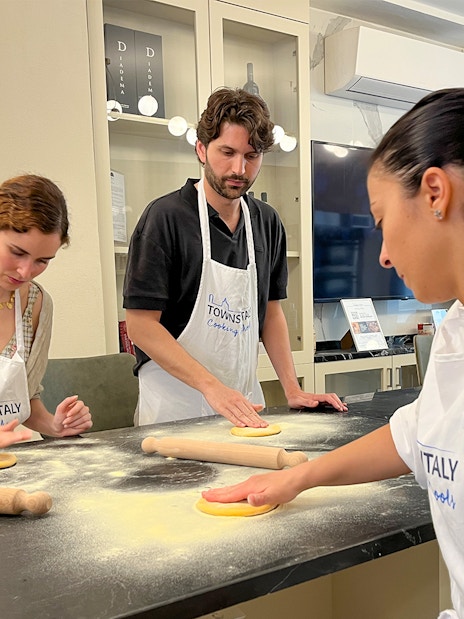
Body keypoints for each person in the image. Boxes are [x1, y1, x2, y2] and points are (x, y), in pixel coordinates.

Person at [202, 88, 464, 619]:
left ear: (435, 192)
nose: (384, 253)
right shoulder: (456, 330)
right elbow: (415, 435)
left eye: (383, 220)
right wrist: (299, 475)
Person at [123, 87, 346, 427]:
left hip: (244, 407)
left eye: (251, 155)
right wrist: (212, 388)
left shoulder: (266, 222)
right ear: (201, 149)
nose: (239, 168)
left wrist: (291, 388)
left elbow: (270, 313)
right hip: (173, 412)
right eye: (227, 152)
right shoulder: (165, 218)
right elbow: (140, 326)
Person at [0, 174, 92, 448]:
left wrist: (55, 425)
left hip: (18, 465)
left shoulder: (36, 303)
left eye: (42, 261)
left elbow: (24, 401)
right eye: (17, 252)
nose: (26, 272)